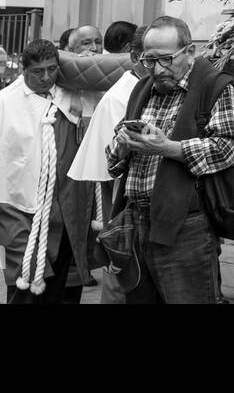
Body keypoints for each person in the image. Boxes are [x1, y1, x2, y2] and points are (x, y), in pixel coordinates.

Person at [108, 17, 234, 304]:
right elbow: (113, 161)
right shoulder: (142, 88)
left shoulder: (215, 87)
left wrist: (167, 148)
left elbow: (226, 147)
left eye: (165, 59)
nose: (157, 69)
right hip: (136, 220)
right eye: (149, 60)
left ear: (190, 51)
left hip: (187, 225)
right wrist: (122, 147)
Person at [0, 39, 96, 303]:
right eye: (38, 71)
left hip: (60, 207)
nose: (47, 77)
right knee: (22, 275)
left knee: (56, 281)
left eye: (52, 69)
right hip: (13, 204)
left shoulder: (70, 94)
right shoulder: (1, 103)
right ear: (23, 70)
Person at [68, 27, 141, 304]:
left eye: (97, 42)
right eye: (87, 43)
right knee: (116, 247)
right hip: (116, 184)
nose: (94, 47)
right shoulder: (117, 93)